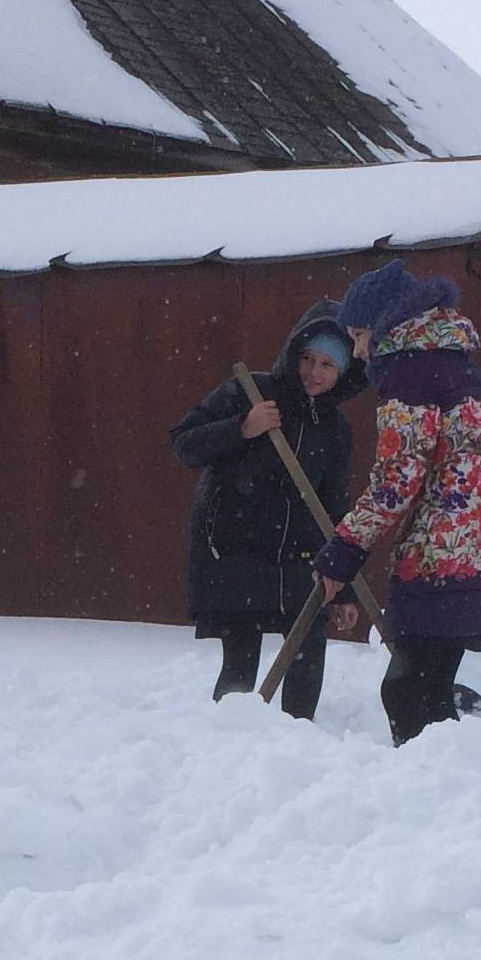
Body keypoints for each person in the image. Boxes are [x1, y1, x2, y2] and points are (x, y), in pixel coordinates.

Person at [310, 261, 481, 743]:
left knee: (404, 690)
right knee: (432, 686)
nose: (357, 352)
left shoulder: (411, 375)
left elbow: (395, 479)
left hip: (440, 560)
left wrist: (343, 551)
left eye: (360, 335)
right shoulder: (467, 371)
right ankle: (450, 780)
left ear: (387, 325)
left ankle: (426, 798)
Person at [169, 303, 368, 718]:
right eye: (308, 359)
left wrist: (343, 586)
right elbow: (184, 443)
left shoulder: (336, 428)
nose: (314, 372)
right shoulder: (252, 392)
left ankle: (301, 746)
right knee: (240, 669)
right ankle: (228, 743)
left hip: (302, 561)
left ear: (344, 372)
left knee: (307, 661)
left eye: (328, 364)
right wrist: (243, 427)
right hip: (237, 553)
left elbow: (334, 508)